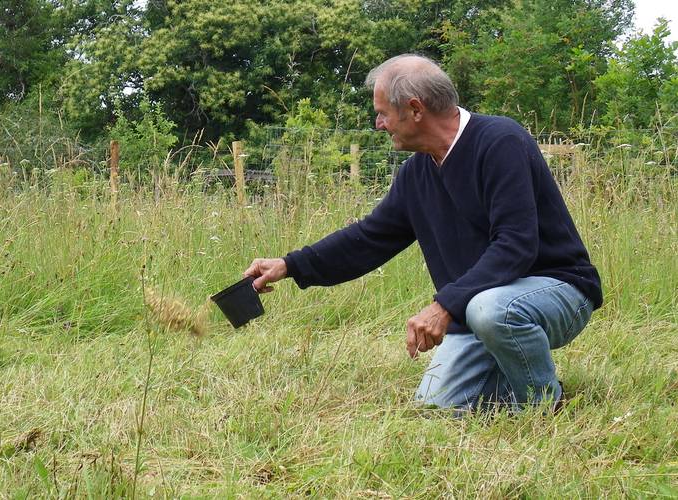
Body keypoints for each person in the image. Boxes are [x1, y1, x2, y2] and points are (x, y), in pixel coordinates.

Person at [244, 54, 602, 413]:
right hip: (474, 309)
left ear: (415, 109)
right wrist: (289, 265)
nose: (378, 124)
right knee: (437, 406)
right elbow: (368, 239)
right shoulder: (416, 175)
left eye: (383, 113)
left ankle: (542, 404)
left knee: (492, 311)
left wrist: (444, 306)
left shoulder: (499, 141)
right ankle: (515, 376)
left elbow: (516, 245)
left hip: (555, 290)